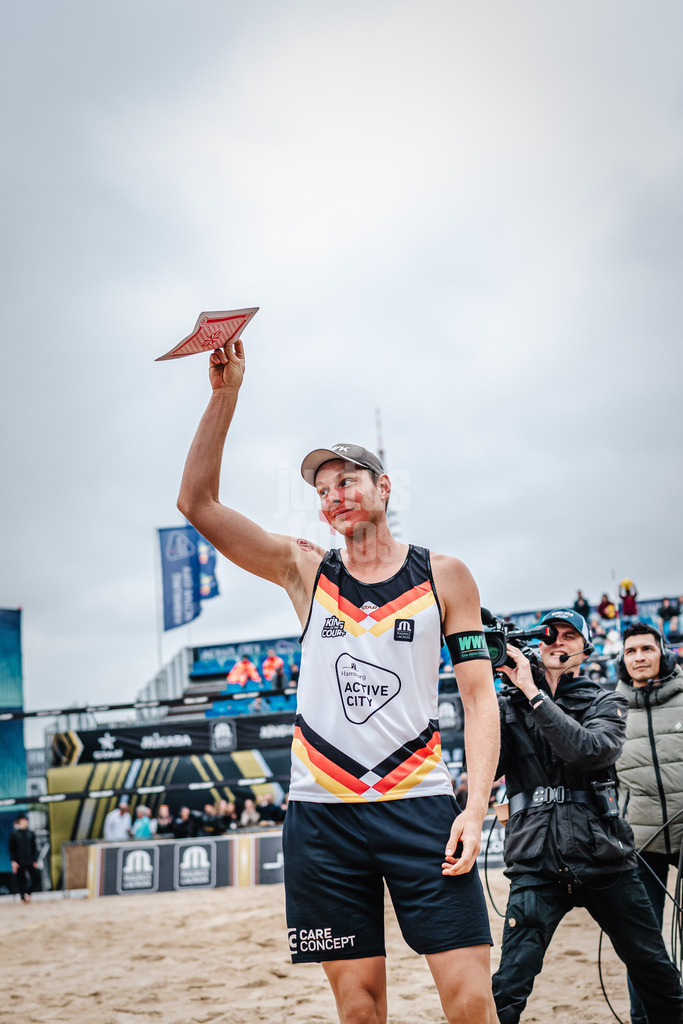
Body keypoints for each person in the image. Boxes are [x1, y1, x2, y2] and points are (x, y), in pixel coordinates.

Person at [176, 337, 500, 1024]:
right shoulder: (306, 570)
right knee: (358, 1008)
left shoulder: (444, 574)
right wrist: (224, 395)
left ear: (384, 487)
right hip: (321, 818)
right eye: (321, 491)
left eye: (346, 481)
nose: (333, 497)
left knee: (470, 1003)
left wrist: (473, 809)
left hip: (420, 806)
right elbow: (197, 504)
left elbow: (477, 696)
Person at [491, 608, 683, 1024]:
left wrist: (534, 694)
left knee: (655, 972)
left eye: (568, 636)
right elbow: (488, 765)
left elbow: (589, 751)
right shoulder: (509, 703)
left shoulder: (605, 699)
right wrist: (490, 693)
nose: (556, 641)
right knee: (509, 983)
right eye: (548, 635)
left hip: (604, 856)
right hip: (535, 860)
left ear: (586, 647)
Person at [615, 622, 683, 1024]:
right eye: (631, 651)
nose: (639, 657)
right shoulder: (610, 706)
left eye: (646, 648)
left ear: (664, 652)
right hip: (639, 840)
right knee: (641, 943)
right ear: (623, 660)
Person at [9, 813, 39, 903]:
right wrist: (13, 861)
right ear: (20, 821)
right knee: (21, 880)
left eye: (27, 820)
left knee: (36, 877)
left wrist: (35, 860)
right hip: (19, 861)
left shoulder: (30, 834)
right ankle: (23, 898)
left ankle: (28, 893)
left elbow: (34, 848)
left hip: (30, 860)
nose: (26, 822)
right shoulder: (14, 834)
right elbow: (11, 849)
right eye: (24, 820)